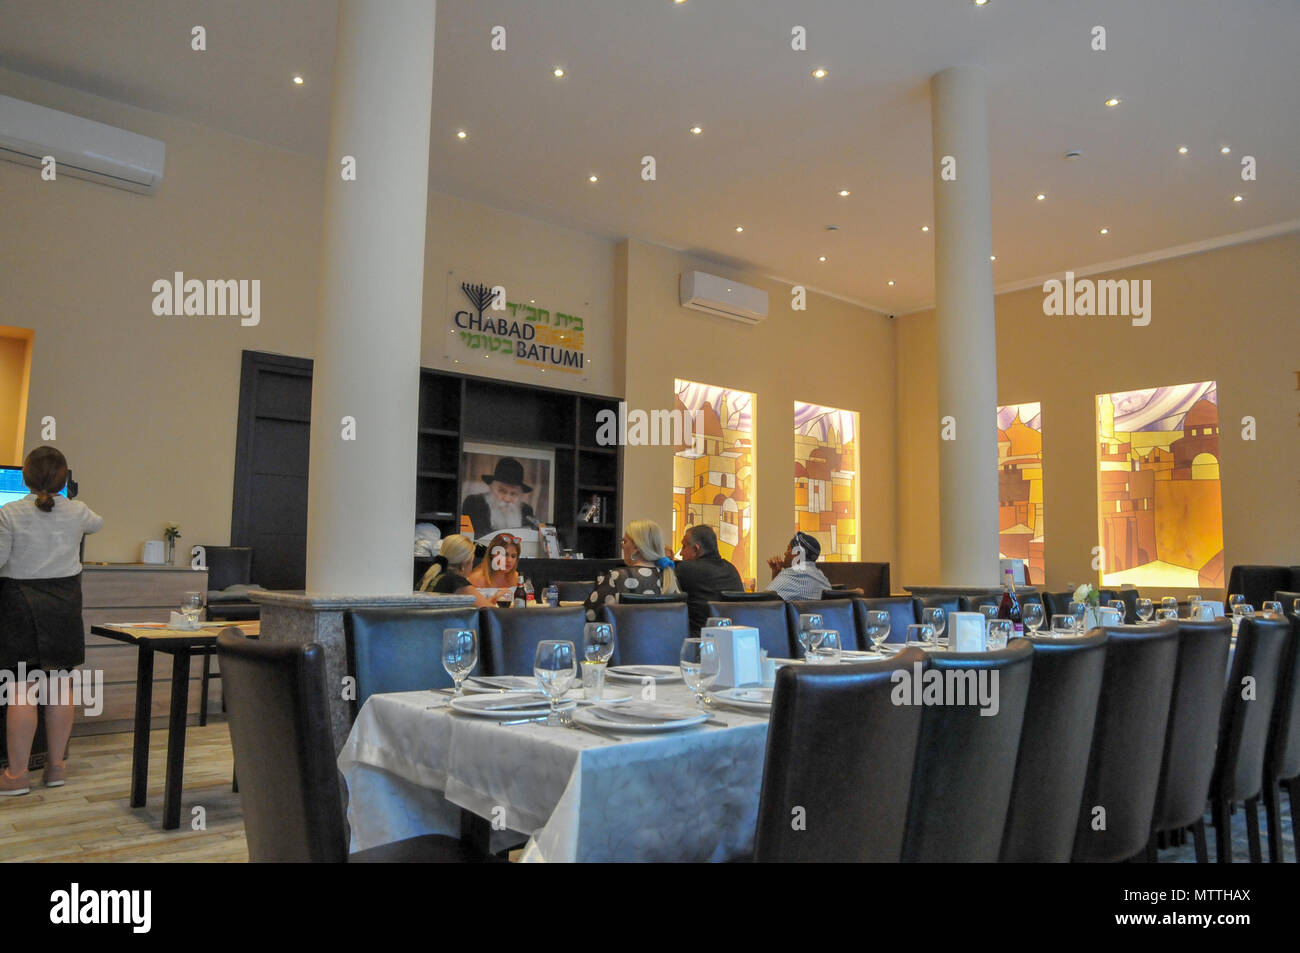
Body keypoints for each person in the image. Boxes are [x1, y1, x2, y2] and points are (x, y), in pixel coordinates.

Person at [1, 447, 103, 796]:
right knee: (60, 685)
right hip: (64, 606)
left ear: (24, 477)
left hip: (20, 606)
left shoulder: (8, 514)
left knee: (21, 688)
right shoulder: (77, 512)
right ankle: (55, 768)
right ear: (64, 479)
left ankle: (16, 776)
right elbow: (98, 523)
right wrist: (69, 499)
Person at [584, 520, 680, 622]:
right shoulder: (669, 578)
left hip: (625, 637)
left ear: (636, 548)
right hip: (665, 637)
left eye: (625, 542)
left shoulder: (617, 577)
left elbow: (589, 615)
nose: (622, 546)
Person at [674, 524, 742, 634]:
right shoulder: (732, 570)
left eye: (684, 546)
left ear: (696, 549)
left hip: (699, 643)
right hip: (732, 640)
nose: (681, 553)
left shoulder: (686, 569)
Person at [460, 458, 537, 538]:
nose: (507, 499)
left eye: (513, 494)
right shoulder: (474, 503)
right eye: (502, 491)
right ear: (492, 489)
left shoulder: (526, 511)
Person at [417, 534, 494, 608]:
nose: (472, 566)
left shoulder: (432, 575)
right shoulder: (457, 583)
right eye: (471, 562)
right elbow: (491, 613)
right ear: (463, 565)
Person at [764, 531, 831, 602]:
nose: (785, 553)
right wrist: (776, 574)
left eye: (788, 549)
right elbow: (774, 599)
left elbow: (765, 602)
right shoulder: (822, 578)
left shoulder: (793, 574)